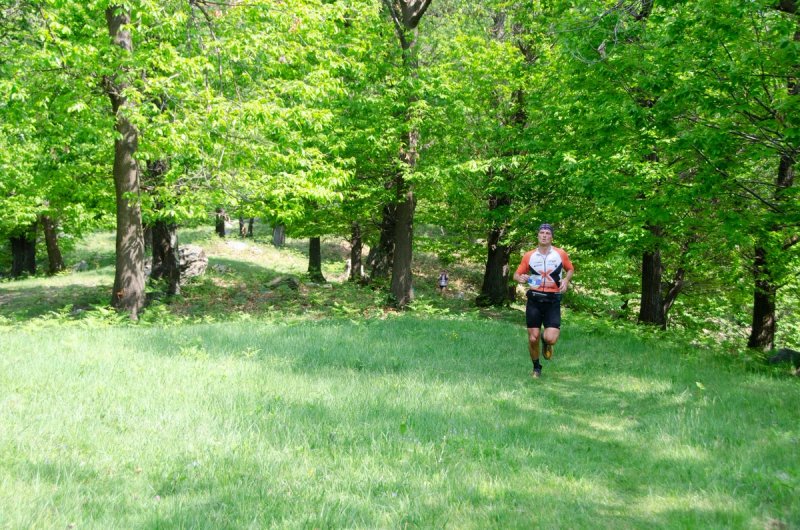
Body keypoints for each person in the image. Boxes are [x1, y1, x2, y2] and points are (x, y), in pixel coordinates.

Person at [513, 223, 574, 379]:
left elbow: (570, 269)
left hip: (553, 300)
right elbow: (516, 275)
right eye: (542, 233)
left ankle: (545, 342)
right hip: (534, 299)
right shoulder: (529, 255)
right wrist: (521, 278)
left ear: (551, 237)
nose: (544, 235)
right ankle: (536, 367)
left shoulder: (560, 254)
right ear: (538, 236)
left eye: (547, 233)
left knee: (550, 338)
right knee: (532, 337)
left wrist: (566, 281)